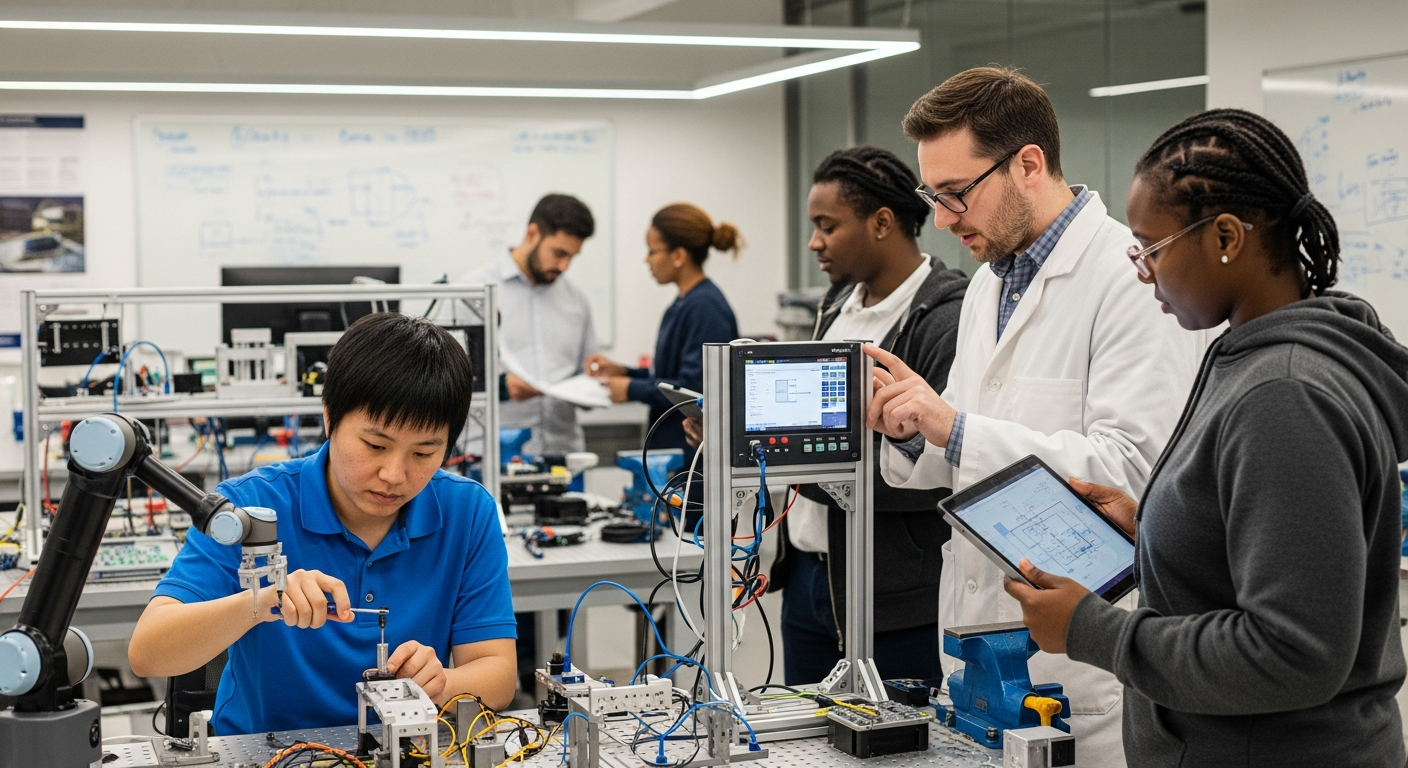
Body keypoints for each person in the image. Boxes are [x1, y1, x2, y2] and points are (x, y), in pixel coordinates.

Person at [1004, 108, 1408, 767]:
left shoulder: (1284, 393)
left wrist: (1094, 632)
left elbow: (1293, 653)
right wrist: (1159, 529)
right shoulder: (1249, 356)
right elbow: (1267, 549)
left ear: (1225, 235)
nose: (1142, 270)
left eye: (1152, 249)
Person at [865, 66, 1204, 765]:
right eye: (934, 195)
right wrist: (909, 428)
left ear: (1028, 164)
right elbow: (961, 446)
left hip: (1078, 671)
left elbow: (1133, 474)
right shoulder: (992, 281)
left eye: (957, 193)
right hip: (976, 651)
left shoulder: (1129, 277)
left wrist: (953, 427)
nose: (946, 217)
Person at [129, 314, 517, 735]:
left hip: (404, 749)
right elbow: (148, 651)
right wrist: (258, 603)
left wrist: (441, 683)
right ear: (330, 418)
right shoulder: (251, 506)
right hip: (265, 754)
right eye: (375, 445)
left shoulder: (467, 511)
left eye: (423, 453)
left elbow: (498, 675)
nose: (394, 474)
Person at [768, 146, 969, 686]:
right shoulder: (837, 305)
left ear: (882, 222)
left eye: (827, 226)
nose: (815, 242)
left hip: (893, 596)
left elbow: (941, 472)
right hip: (813, 576)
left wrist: (808, 475)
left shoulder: (945, 320)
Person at [584, 203, 741, 456]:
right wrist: (625, 372)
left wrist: (630, 389)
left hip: (690, 460)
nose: (647, 259)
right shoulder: (683, 303)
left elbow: (693, 390)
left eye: (652, 251)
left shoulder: (705, 308)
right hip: (671, 453)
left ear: (679, 255)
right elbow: (669, 376)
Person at [455, 193, 598, 454]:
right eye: (559, 253)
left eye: (572, 257)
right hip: (491, 455)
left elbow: (586, 373)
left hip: (563, 452)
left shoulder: (576, 300)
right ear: (532, 234)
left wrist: (594, 387)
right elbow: (446, 380)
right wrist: (501, 388)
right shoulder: (472, 292)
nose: (564, 265)